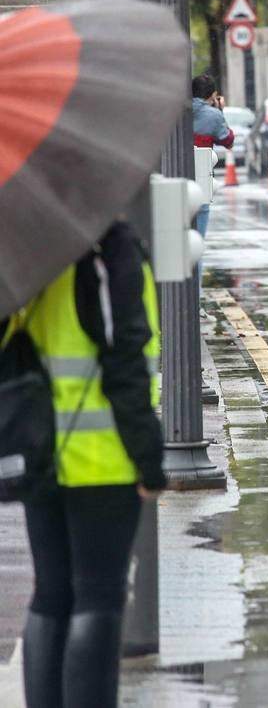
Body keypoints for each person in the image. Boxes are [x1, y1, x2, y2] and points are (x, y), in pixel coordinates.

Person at [3, 221, 164, 708]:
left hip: (38, 455)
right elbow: (126, 360)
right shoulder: (106, 251)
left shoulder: (24, 259)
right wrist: (148, 459)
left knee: (50, 593)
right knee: (98, 596)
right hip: (100, 460)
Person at [190, 74, 233, 239]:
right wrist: (219, 111)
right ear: (213, 96)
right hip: (202, 179)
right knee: (198, 238)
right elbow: (228, 141)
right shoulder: (213, 115)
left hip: (174, 178)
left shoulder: (177, 109)